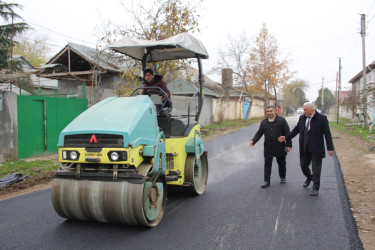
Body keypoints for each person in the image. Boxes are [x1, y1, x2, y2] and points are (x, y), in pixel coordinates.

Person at [278, 102, 334, 196]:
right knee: (303, 165)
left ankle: (315, 187)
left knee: (316, 169)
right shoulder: (302, 118)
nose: (303, 112)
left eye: (305, 110)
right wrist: (286, 137)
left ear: (312, 110)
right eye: (303, 110)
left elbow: (327, 134)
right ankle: (309, 177)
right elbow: (296, 130)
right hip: (305, 147)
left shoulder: (322, 118)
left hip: (316, 148)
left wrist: (330, 147)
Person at [249, 105, 292, 188]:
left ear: (275, 111)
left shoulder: (282, 120)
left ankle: (282, 177)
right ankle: (266, 181)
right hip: (268, 147)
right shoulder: (264, 122)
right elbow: (259, 133)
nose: (269, 113)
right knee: (267, 164)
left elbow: (287, 133)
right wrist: (253, 141)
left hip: (280, 146)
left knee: (281, 163)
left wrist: (288, 145)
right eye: (268, 111)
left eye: (271, 111)